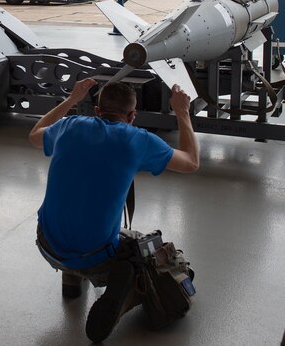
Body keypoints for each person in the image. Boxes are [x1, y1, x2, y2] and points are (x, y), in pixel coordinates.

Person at [28, 78, 199, 343]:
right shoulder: (138, 140)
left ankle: (71, 280)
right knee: (139, 252)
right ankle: (122, 298)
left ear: (96, 110)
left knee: (77, 212)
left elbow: (35, 134)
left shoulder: (69, 125)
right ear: (133, 116)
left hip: (46, 243)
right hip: (95, 257)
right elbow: (191, 162)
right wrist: (182, 112)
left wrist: (73, 99)